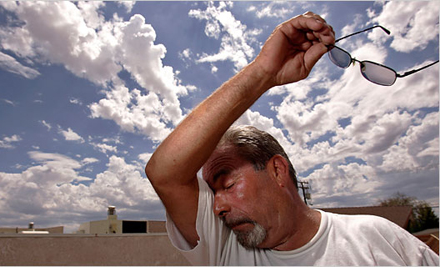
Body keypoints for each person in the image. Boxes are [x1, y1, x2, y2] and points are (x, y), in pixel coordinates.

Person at [145, 12, 439, 265]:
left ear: (276, 170)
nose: (217, 206)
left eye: (228, 185)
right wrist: (264, 72)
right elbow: (165, 173)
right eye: (214, 192)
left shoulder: (379, 239)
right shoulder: (222, 247)